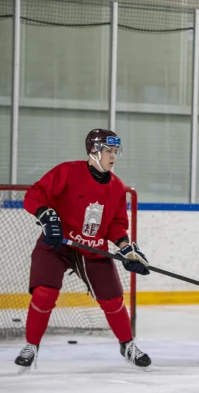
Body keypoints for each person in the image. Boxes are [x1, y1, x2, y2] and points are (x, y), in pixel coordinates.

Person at [14, 129, 151, 374]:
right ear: (93, 151)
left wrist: (126, 250)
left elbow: (116, 225)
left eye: (115, 151)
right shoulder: (67, 171)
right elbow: (35, 195)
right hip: (57, 243)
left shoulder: (117, 187)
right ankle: (31, 346)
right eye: (109, 150)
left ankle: (127, 345)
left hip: (92, 247)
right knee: (44, 293)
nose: (113, 156)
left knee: (112, 300)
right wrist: (47, 216)